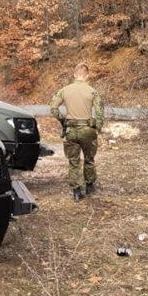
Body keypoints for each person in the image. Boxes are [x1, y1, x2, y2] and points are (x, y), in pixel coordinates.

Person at [49, 62, 105, 202]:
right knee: (89, 159)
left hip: (71, 130)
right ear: (87, 76)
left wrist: (63, 120)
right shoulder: (93, 91)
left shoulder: (64, 90)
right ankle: (90, 186)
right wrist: (97, 127)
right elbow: (100, 112)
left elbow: (53, 108)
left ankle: (76, 191)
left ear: (74, 75)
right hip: (88, 130)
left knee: (74, 161)